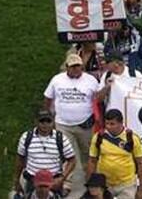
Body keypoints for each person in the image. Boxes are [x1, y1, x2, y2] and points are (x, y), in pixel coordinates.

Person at [43, 54, 101, 187]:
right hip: (63, 124)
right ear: (67, 67)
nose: (76, 69)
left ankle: (91, 180)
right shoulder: (57, 80)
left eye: (78, 66)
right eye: (73, 67)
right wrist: (47, 116)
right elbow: (48, 97)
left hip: (85, 124)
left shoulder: (91, 80)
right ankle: (66, 183)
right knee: (66, 154)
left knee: (88, 153)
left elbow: (98, 98)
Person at [13, 109, 76, 197]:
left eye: (48, 121)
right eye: (42, 121)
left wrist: (62, 178)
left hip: (54, 182)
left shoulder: (61, 139)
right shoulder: (26, 137)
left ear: (53, 122)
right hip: (32, 181)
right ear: (36, 122)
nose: (45, 124)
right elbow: (20, 159)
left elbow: (72, 160)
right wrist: (16, 180)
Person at [86, 109, 142, 199]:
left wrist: (141, 189)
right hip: (104, 183)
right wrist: (90, 184)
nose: (108, 127)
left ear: (121, 123)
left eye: (112, 124)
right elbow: (92, 161)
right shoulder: (98, 137)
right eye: (107, 123)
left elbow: (141, 163)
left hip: (126, 184)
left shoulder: (132, 138)